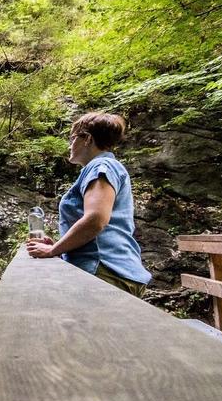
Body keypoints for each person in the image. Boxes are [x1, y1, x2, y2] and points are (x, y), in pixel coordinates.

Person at [27, 112, 151, 297]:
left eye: (72, 138)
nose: (70, 145)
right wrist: (63, 246)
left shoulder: (101, 167)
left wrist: (53, 250)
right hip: (108, 271)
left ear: (88, 139)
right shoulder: (103, 167)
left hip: (105, 271)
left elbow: (96, 219)